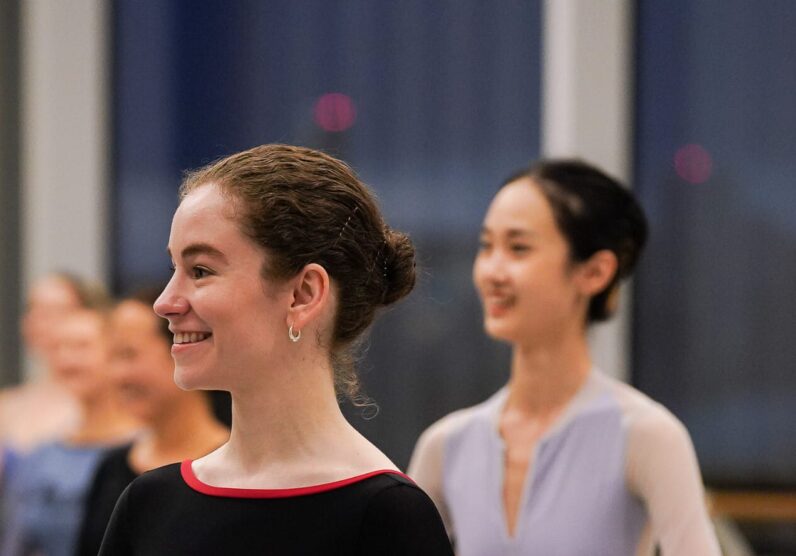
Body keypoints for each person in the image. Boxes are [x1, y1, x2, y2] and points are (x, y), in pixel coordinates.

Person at [99, 144, 453, 555]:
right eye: (173, 269)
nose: (165, 302)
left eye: (200, 271)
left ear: (303, 294)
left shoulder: (387, 515)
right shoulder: (148, 504)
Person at [409, 160, 721, 555]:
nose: (492, 270)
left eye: (518, 248)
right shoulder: (446, 445)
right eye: (487, 246)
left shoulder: (646, 437)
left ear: (594, 272)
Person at [75, 287, 229, 556]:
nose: (118, 375)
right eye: (112, 359)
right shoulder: (111, 468)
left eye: (129, 355)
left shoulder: (237, 471)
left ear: (183, 348)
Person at [1, 307, 139, 556]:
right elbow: (17, 542)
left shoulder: (144, 450)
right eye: (58, 348)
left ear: (116, 353)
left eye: (81, 346)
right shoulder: (40, 455)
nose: (67, 359)